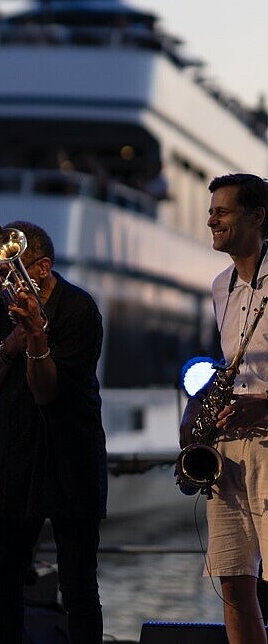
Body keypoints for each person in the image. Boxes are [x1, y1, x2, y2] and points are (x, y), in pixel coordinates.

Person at [0, 220, 106, 644]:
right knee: (2, 576)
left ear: (42, 267)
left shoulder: (79, 309)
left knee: (78, 583)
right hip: (15, 448)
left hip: (71, 453)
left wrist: (34, 334)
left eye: (14, 269)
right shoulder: (0, 308)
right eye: (1, 270)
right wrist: (14, 340)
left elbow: (46, 391)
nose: (6, 280)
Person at [179, 173, 268, 644]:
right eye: (212, 210)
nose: (211, 218)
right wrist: (196, 408)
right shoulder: (221, 286)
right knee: (233, 580)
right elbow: (230, 364)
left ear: (258, 218)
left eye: (223, 211)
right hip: (229, 449)